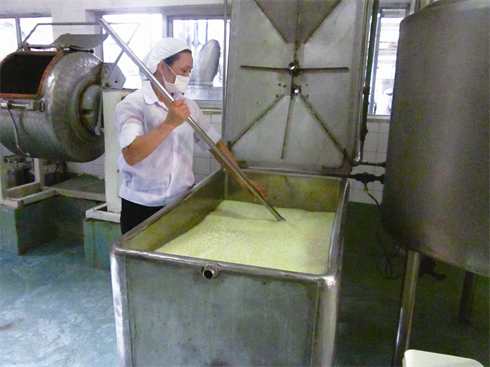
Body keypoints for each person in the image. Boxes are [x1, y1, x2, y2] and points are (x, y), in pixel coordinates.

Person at [115, 38, 265, 234]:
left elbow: (215, 145)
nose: (187, 76)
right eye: (183, 71)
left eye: (189, 72)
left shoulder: (188, 106)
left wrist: (241, 179)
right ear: (162, 67)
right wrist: (169, 123)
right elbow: (132, 154)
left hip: (181, 203)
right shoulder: (133, 105)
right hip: (141, 207)